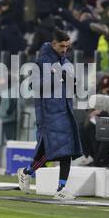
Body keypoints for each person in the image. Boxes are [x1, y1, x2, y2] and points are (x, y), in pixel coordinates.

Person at [17, 29, 82, 200]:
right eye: (62, 46)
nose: (65, 50)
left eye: (67, 46)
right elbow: (33, 85)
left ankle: (58, 187)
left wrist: (72, 84)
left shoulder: (65, 62)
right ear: (53, 44)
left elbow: (69, 88)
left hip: (64, 110)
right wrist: (58, 78)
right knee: (52, 151)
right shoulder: (41, 62)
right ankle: (29, 172)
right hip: (48, 113)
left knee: (64, 150)